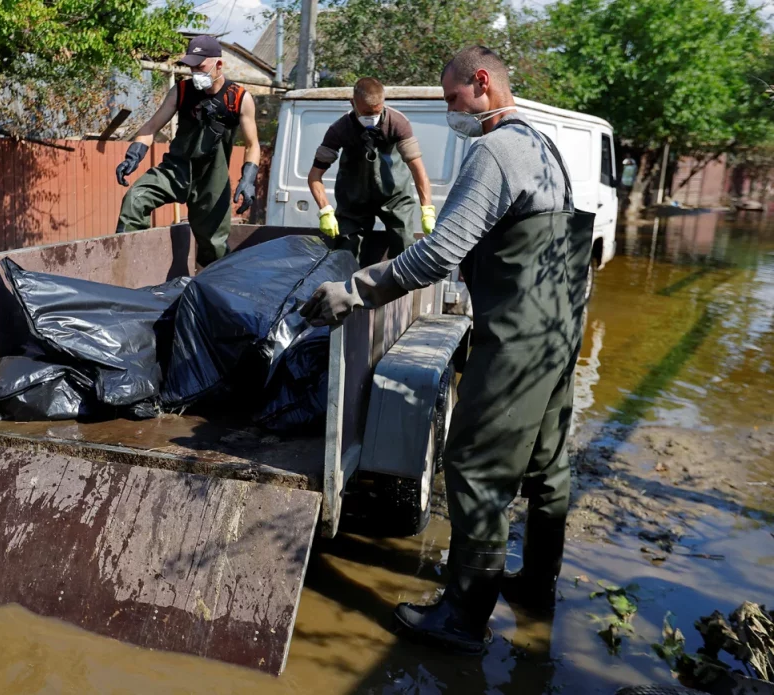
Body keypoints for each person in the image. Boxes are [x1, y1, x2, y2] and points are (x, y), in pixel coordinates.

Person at [300, 46, 593, 653]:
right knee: (545, 466)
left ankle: (463, 619)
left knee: (476, 466)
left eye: (453, 98)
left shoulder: (495, 150)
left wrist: (354, 290)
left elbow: (439, 253)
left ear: (481, 83)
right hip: (560, 333)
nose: (450, 110)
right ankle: (537, 587)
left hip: (516, 338)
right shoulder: (544, 148)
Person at [114, 35, 261, 267]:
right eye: (191, 67)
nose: (195, 72)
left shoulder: (239, 98)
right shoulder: (180, 91)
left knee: (213, 246)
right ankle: (128, 267)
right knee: (135, 200)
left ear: (218, 65)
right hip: (176, 168)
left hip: (212, 177)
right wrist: (134, 155)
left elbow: (253, 144)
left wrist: (249, 178)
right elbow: (151, 127)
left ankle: (215, 290)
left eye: (200, 66)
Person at [308, 77, 437, 266]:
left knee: (405, 247)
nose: (372, 117)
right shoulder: (339, 130)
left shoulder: (397, 123)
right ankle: (346, 292)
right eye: (366, 112)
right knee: (345, 253)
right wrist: (325, 210)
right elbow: (314, 176)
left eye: (377, 111)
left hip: (395, 197)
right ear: (353, 103)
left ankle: (399, 291)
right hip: (354, 200)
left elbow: (418, 171)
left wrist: (427, 210)